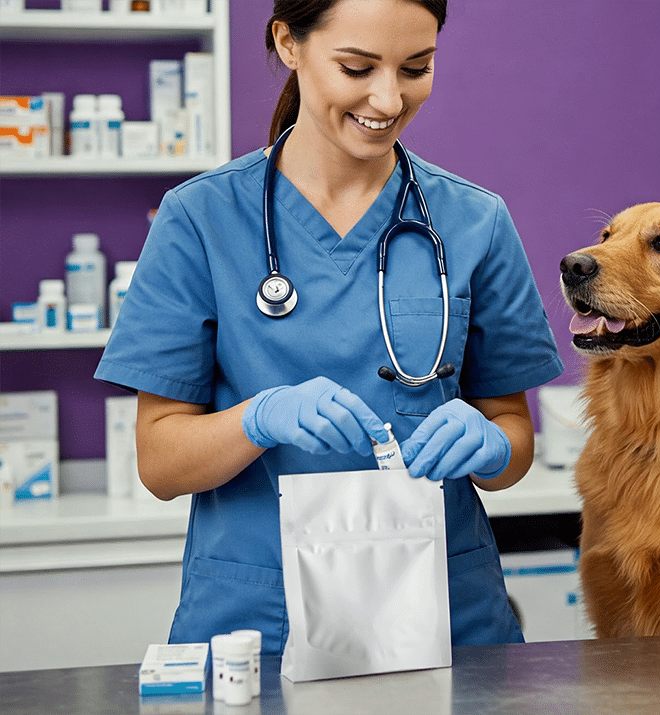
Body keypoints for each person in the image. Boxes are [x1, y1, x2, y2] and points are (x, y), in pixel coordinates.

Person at [95, 0, 563, 654]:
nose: (389, 97)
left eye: (416, 67)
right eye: (357, 66)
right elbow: (161, 463)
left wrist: (491, 443)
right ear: (288, 43)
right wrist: (260, 417)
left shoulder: (474, 222)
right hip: (260, 623)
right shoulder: (200, 219)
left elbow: (512, 440)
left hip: (447, 617)